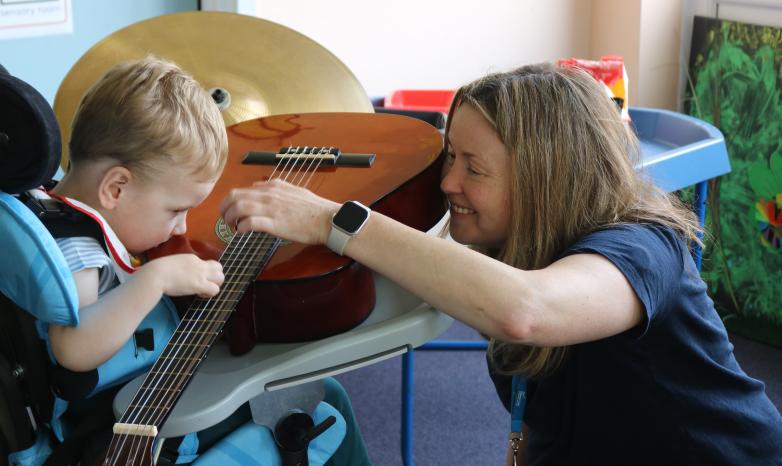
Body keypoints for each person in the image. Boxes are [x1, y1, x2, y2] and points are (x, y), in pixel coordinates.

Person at [219, 63, 782, 465]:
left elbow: (527, 311)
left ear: (543, 176)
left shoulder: (642, 246)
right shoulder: (513, 248)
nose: (447, 183)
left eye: (473, 168)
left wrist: (332, 222)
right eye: (449, 158)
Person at [47, 56, 371, 465]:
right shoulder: (76, 249)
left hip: (140, 390)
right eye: (174, 210)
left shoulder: (55, 212)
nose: (181, 227)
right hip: (134, 426)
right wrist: (157, 277)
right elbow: (72, 347)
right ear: (116, 188)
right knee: (322, 402)